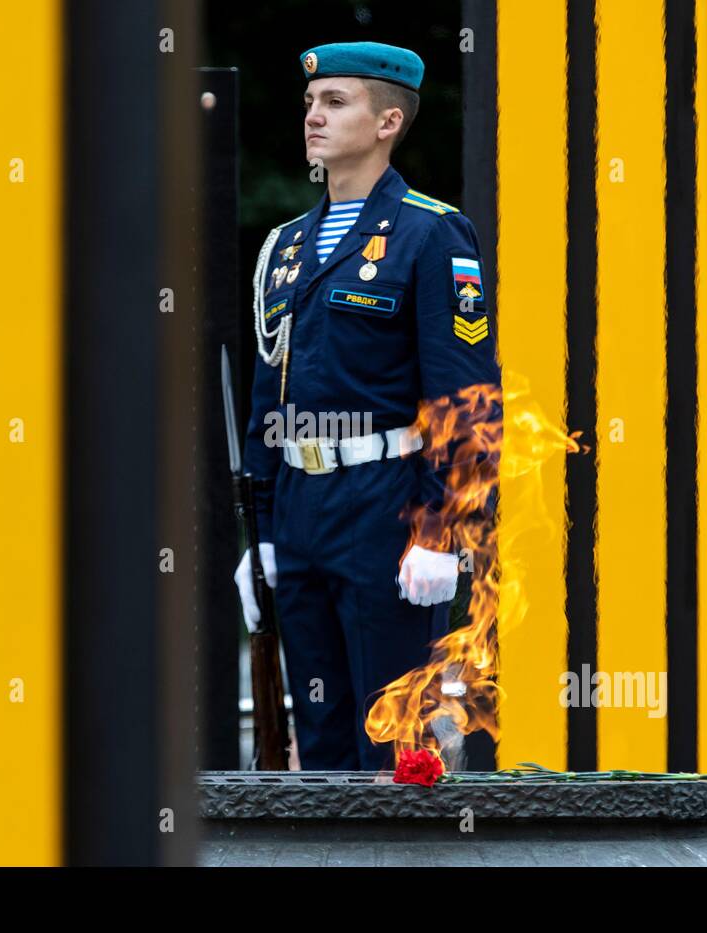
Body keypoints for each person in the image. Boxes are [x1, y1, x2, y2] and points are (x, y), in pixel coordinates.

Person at [234, 41, 501, 771]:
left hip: (386, 506)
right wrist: (259, 536)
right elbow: (268, 398)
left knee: (395, 740)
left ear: (388, 121)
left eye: (335, 102)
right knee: (317, 736)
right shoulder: (285, 247)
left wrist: (444, 530)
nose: (314, 116)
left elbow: (466, 398)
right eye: (312, 103)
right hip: (298, 505)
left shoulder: (430, 232)